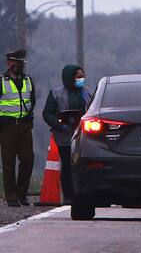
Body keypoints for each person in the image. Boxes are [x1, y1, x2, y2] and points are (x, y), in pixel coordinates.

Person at [43, 65, 93, 204]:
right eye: (78, 76)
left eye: (82, 76)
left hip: (84, 136)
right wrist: (59, 125)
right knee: (67, 165)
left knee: (83, 164)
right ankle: (68, 195)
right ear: (70, 77)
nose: (81, 79)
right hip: (64, 137)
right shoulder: (57, 93)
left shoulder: (88, 93)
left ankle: (83, 193)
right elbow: (47, 113)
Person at [0, 49, 35, 207]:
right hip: (7, 127)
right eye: (14, 62)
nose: (17, 65)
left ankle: (22, 193)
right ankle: (11, 196)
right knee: (8, 163)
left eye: (20, 62)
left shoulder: (28, 80)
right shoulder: (2, 81)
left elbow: (32, 101)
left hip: (25, 126)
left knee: (28, 160)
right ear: (9, 63)